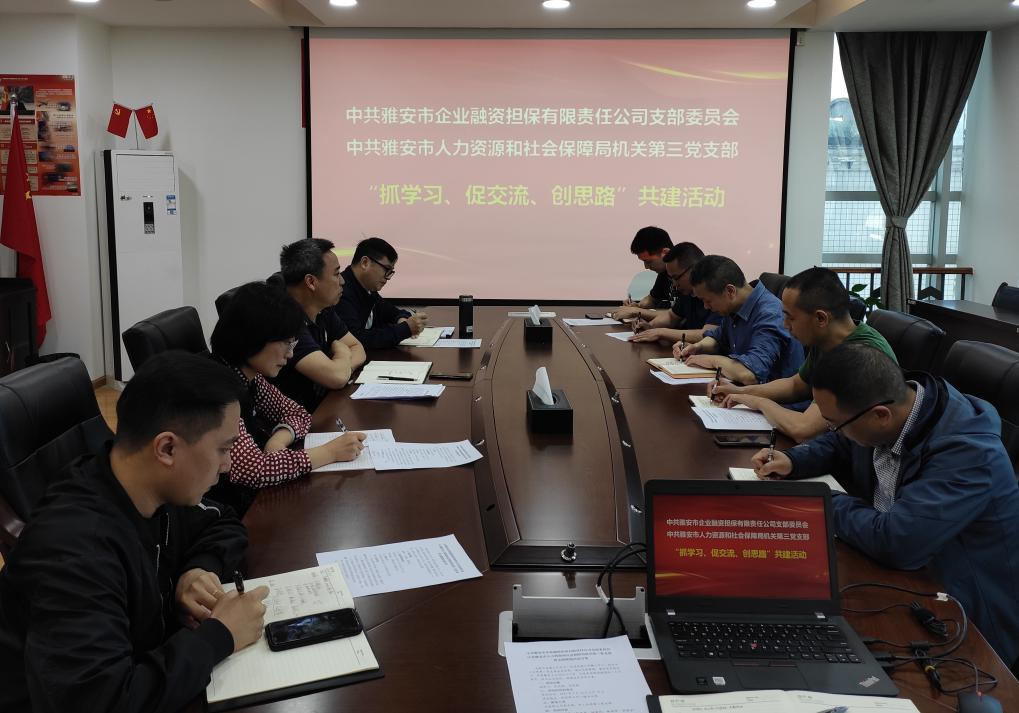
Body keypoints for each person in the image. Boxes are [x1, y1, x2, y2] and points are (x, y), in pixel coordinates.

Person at [0, 352, 271, 712]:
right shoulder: (73, 552)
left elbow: (223, 521)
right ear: (167, 448)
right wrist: (219, 635)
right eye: (223, 449)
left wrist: (197, 569)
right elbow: (102, 701)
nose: (227, 465)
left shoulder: (148, 486)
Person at [751, 343, 1019, 667]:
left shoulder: (969, 454)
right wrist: (793, 460)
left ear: (880, 416)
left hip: (963, 622)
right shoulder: (891, 410)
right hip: (895, 574)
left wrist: (818, 499)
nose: (834, 430)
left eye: (835, 423)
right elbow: (841, 442)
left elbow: (896, 542)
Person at [209, 281, 367, 513]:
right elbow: (253, 470)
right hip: (226, 510)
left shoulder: (249, 377)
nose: (291, 353)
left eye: (294, 343)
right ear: (254, 336)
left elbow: (298, 412)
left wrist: (278, 440)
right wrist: (330, 452)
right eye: (286, 342)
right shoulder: (217, 388)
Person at [714, 267, 896, 441]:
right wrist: (739, 391)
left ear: (820, 318)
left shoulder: (858, 356)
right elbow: (797, 385)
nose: (785, 324)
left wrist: (756, 401)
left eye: (790, 317)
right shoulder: (826, 337)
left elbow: (803, 429)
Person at [678, 255, 804, 385]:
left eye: (708, 301)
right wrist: (697, 347)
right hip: (744, 391)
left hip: (774, 396)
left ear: (730, 291)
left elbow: (750, 374)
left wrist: (712, 360)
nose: (706, 306)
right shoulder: (735, 306)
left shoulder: (770, 314)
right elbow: (718, 338)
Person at [274, 238, 367, 413]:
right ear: (311, 282)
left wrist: (341, 367)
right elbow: (336, 377)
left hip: (319, 409)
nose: (342, 281)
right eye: (336, 274)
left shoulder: (323, 309)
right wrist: (342, 352)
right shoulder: (285, 320)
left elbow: (357, 347)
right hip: (293, 419)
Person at [335, 237, 427, 349]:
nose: (388, 277)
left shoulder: (368, 290)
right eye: (386, 269)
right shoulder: (341, 293)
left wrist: (402, 319)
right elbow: (356, 340)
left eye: (390, 272)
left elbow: (392, 312)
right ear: (365, 263)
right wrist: (405, 329)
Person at [627, 242, 722, 346]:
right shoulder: (687, 291)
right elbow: (671, 316)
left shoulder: (717, 290)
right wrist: (649, 327)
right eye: (671, 279)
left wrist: (661, 332)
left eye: (676, 278)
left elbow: (708, 334)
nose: (674, 284)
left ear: (693, 270)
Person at [610, 226, 674, 320]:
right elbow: (652, 299)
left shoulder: (688, 274)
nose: (646, 267)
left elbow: (677, 315)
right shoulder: (664, 271)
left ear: (665, 253)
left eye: (649, 261)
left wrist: (637, 312)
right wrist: (636, 306)